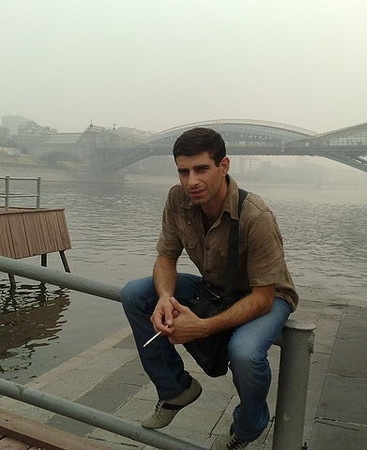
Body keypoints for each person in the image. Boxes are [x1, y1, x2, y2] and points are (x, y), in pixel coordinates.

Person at [121, 127, 298, 450]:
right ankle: (175, 389)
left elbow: (263, 297)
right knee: (135, 294)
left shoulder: (255, 216)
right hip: (214, 287)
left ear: (224, 166)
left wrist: (202, 327)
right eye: (183, 171)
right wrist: (164, 298)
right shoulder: (178, 199)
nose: (192, 181)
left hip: (267, 296)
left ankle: (248, 426)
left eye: (201, 169)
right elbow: (166, 256)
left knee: (245, 353)